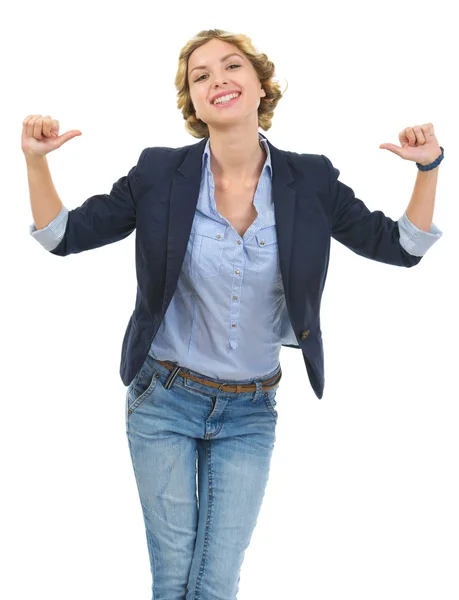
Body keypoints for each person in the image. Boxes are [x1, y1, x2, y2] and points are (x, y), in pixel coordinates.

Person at [24, 28, 443, 600]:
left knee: (216, 582)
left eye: (232, 66)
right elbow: (61, 235)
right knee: (174, 578)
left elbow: (402, 247)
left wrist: (428, 170)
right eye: (201, 76)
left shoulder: (311, 179)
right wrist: (36, 163)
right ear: (192, 103)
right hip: (163, 400)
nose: (218, 79)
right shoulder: (158, 174)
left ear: (260, 83)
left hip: (251, 411)